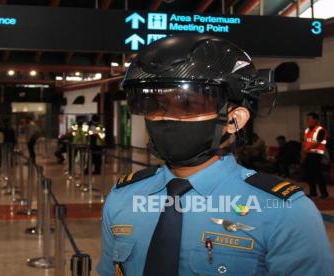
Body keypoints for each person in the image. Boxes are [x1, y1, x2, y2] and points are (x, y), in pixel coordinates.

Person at [97, 34, 333, 275]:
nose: (164, 117)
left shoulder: (286, 212)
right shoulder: (122, 198)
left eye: (187, 104)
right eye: (153, 104)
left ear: (234, 119)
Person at [303, 112, 329, 198]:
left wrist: (307, 149)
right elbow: (305, 142)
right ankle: (313, 192)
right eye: (307, 119)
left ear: (315, 120)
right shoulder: (307, 130)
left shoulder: (320, 130)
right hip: (308, 155)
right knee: (309, 174)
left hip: (317, 156)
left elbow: (318, 141)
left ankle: (324, 193)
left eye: (309, 119)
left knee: (318, 175)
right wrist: (303, 151)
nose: (307, 121)